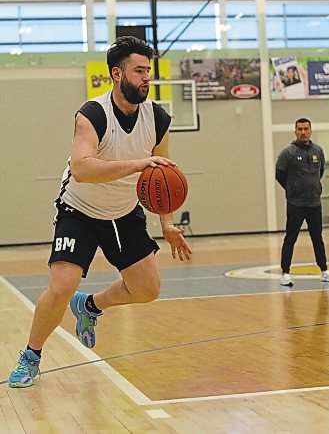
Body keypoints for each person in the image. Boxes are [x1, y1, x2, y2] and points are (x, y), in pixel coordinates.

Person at [8, 36, 192, 388]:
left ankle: (90, 307)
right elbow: (82, 168)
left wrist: (167, 223)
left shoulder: (158, 117)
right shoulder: (92, 114)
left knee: (148, 289)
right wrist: (137, 163)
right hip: (80, 208)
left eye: (148, 71)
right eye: (139, 71)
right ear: (116, 73)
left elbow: (162, 172)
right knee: (62, 286)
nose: (146, 78)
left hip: (123, 212)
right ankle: (31, 355)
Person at [275, 118, 329, 287]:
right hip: (296, 204)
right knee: (290, 238)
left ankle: (324, 270)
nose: (303, 132)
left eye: (306, 129)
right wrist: (293, 189)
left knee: (317, 237)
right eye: (299, 129)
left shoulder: (318, 151)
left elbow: (320, 172)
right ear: (295, 131)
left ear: (310, 130)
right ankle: (285, 273)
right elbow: (280, 175)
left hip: (314, 203)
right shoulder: (288, 153)